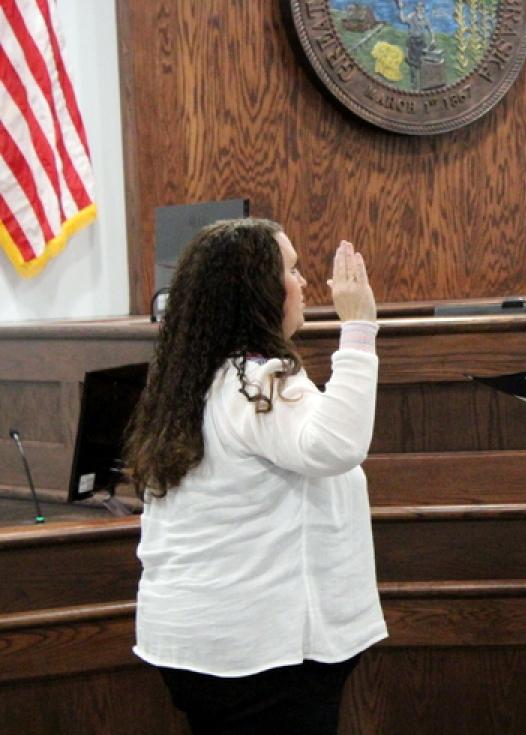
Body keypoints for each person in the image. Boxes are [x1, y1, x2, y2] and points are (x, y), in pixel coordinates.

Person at [124, 218, 386, 735]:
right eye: (290, 269)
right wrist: (358, 329)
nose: (304, 282)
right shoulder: (256, 382)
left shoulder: (194, 379)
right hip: (260, 654)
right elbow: (336, 445)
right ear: (257, 293)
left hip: (202, 645)